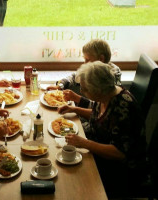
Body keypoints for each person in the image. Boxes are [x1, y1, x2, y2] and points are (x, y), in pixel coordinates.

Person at [58, 61, 147, 198]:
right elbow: (98, 115)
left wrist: (84, 143)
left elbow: (119, 153)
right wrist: (74, 108)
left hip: (121, 170)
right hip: (99, 154)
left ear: (97, 90)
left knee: (70, 183)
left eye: (84, 89)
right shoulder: (107, 94)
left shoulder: (123, 108)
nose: (81, 91)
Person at [47, 39, 121, 108]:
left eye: (87, 60)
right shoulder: (92, 70)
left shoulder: (111, 78)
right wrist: (61, 86)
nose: (85, 63)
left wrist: (77, 99)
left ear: (101, 59)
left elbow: (99, 109)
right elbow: (74, 77)